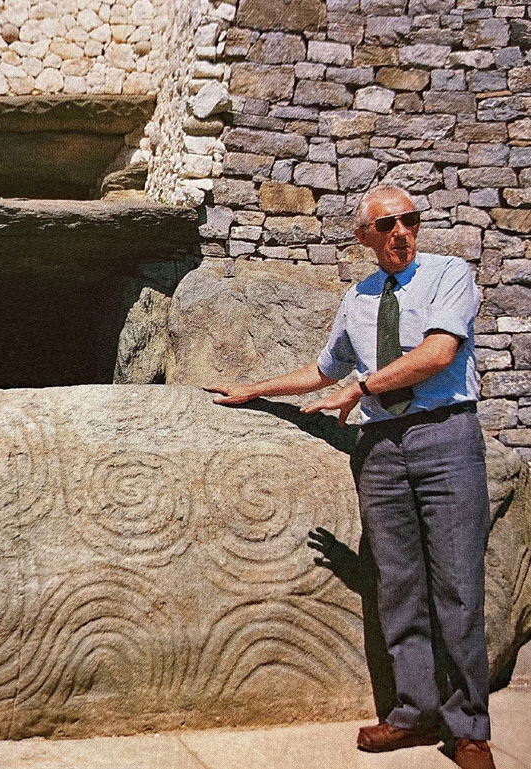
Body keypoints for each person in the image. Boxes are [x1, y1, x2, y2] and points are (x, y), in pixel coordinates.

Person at [206, 184, 496, 769]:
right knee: (397, 585)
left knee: (458, 587)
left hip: (445, 437)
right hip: (380, 450)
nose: (401, 233)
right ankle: (412, 713)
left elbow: (439, 352)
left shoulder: (449, 274)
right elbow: (323, 370)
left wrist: (362, 387)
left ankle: (469, 730)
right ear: (364, 236)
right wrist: (255, 389)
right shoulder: (358, 297)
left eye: (410, 220)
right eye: (386, 225)